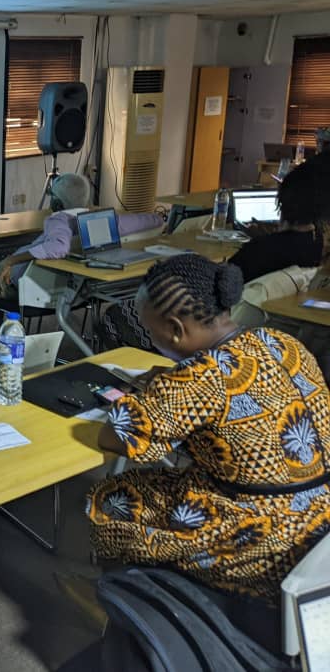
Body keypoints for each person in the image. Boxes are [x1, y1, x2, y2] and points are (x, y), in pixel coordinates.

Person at [87, 254, 330, 602]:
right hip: (320, 522)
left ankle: (133, 602)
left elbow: (113, 437)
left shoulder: (201, 377)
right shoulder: (282, 342)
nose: (151, 338)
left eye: (151, 331)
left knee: (111, 496)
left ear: (175, 329)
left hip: (269, 541)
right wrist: (175, 382)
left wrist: (154, 392)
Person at [0, 173, 163, 300]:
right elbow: (148, 221)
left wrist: (11, 260)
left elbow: (58, 247)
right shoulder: (98, 220)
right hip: (74, 290)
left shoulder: (59, 220)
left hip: (23, 285)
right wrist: (159, 219)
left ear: (57, 203)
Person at [227, 152, 330, 283]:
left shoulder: (255, 251)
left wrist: (264, 240)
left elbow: (224, 279)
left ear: (281, 202)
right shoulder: (319, 249)